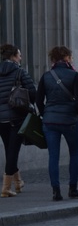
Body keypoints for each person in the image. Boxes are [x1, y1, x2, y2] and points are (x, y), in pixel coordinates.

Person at [36, 46, 78, 201]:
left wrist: (46, 114)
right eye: (70, 57)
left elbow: (38, 100)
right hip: (69, 120)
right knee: (75, 153)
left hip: (50, 121)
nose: (72, 59)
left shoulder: (46, 76)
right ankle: (73, 188)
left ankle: (56, 191)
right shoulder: (74, 75)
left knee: (53, 156)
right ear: (66, 58)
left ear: (53, 60)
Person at [0, 44, 37, 197]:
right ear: (14, 56)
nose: (21, 58)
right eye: (19, 55)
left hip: (0, 118)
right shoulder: (20, 72)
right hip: (16, 117)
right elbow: (33, 93)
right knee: (13, 151)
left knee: (9, 150)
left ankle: (18, 182)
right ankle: (6, 188)